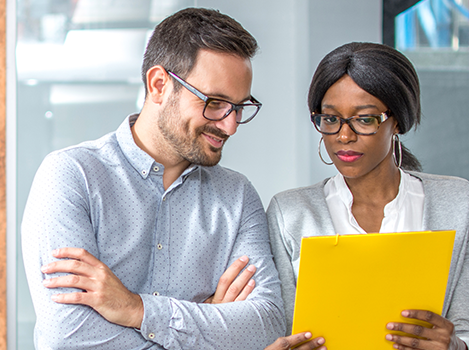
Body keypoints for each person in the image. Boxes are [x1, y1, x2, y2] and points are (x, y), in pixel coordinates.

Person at [22, 8, 287, 349]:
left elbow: (265, 325)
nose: (230, 124)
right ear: (159, 85)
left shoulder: (237, 197)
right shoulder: (72, 177)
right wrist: (207, 323)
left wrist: (135, 309)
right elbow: (70, 338)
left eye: (239, 107)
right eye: (215, 102)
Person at [267, 42, 469, 350]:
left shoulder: (460, 203)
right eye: (330, 119)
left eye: (365, 119)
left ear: (396, 121)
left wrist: (453, 346)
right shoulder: (289, 213)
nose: (344, 136)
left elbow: (468, 334)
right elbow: (280, 331)